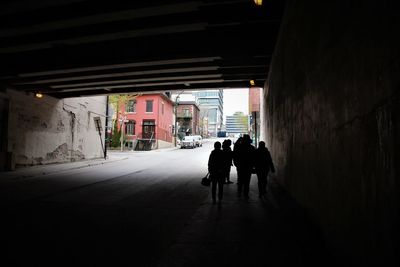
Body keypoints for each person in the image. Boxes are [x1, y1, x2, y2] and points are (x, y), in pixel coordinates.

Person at [233, 134, 255, 199]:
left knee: (240, 180)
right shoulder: (252, 148)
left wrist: (235, 163)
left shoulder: (239, 147)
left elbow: (235, 152)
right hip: (248, 166)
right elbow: (255, 158)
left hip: (240, 166)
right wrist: (253, 166)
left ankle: (239, 193)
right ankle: (246, 194)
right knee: (247, 181)